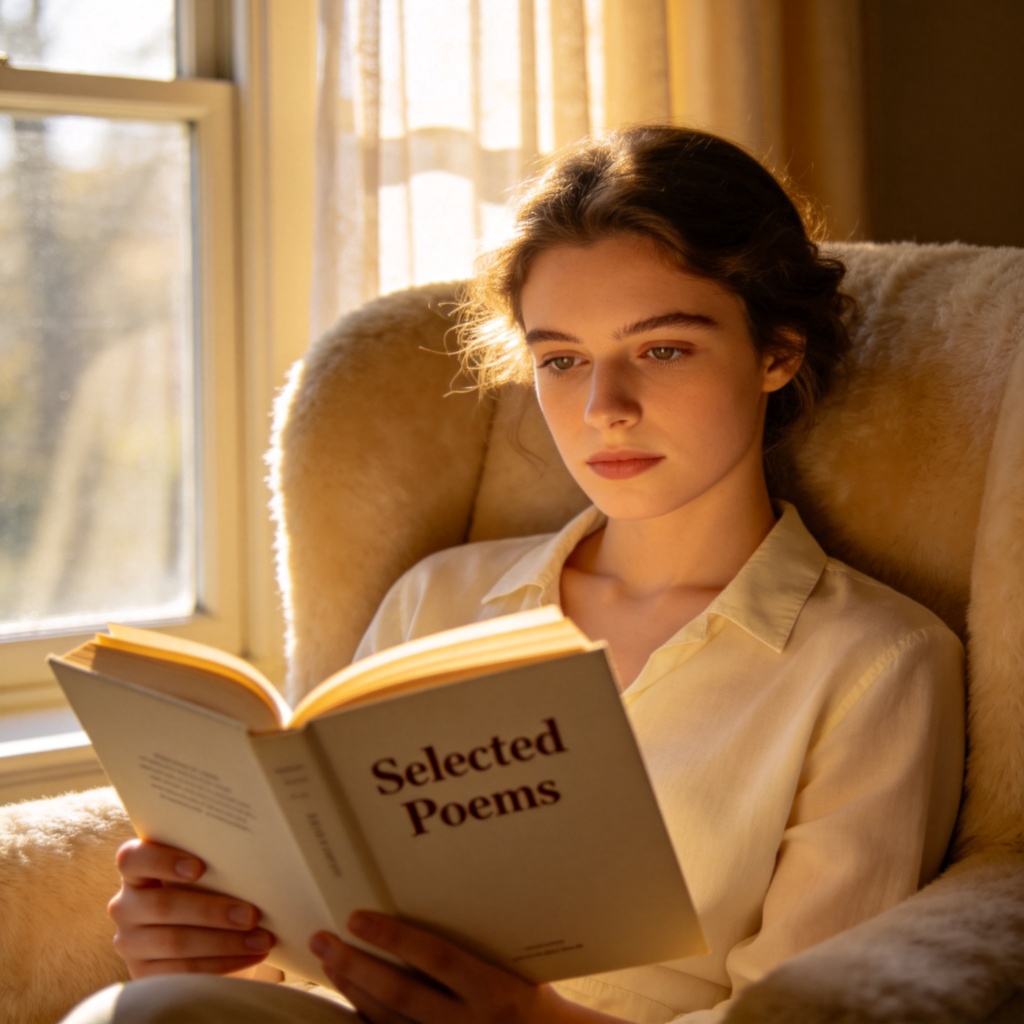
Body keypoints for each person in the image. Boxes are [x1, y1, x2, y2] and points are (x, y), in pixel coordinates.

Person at [62, 125, 965, 1024]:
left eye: (662, 349)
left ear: (778, 351)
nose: (604, 410)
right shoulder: (439, 598)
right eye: (562, 360)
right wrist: (209, 949)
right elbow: (313, 961)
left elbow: (806, 1017)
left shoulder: (875, 663)